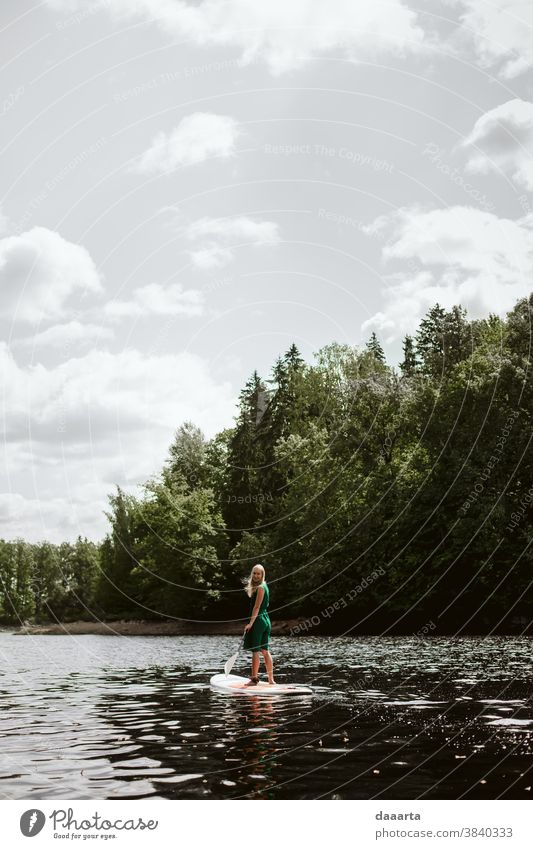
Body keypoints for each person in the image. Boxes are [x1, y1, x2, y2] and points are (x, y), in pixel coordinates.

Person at [242, 564, 275, 686]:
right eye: (254, 573)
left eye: (258, 573)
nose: (256, 575)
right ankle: (271, 680)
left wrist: (250, 623)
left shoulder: (260, 587)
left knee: (255, 651)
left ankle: (254, 679)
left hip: (259, 620)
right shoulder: (265, 586)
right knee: (265, 651)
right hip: (266, 619)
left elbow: (256, 607)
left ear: (262, 575)